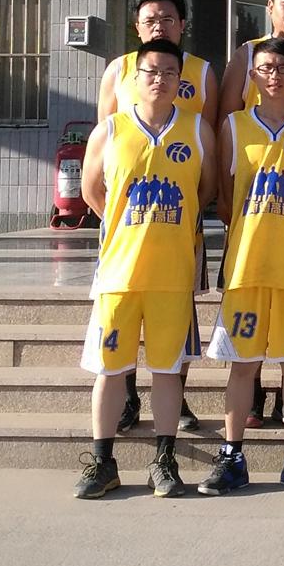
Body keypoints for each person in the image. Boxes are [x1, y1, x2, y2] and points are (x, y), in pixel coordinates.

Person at [74, 38, 217, 500]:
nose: (160, 80)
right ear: (134, 79)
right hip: (119, 275)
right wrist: (125, 229)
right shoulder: (110, 130)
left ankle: (164, 460)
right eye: (151, 72)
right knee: (111, 370)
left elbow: (207, 190)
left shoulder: (197, 129)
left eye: (169, 73)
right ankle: (103, 461)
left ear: (181, 81)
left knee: (167, 372)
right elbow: (92, 192)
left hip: (173, 277)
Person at [198, 37, 284, 495]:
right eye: (265, 68)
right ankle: (232, 456)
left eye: (283, 68)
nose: (274, 75)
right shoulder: (234, 126)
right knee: (242, 366)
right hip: (247, 267)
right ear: (252, 76)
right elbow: (224, 200)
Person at [98, 0, 220, 436]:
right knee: (123, 314)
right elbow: (102, 148)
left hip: (178, 221)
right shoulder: (118, 70)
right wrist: (116, 210)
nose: (159, 26)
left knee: (178, 311)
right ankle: (127, 396)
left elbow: (211, 149)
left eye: (168, 19)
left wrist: (190, 207)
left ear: (182, 25)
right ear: (137, 27)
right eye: (150, 19)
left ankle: (175, 396)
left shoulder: (202, 72)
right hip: (127, 225)